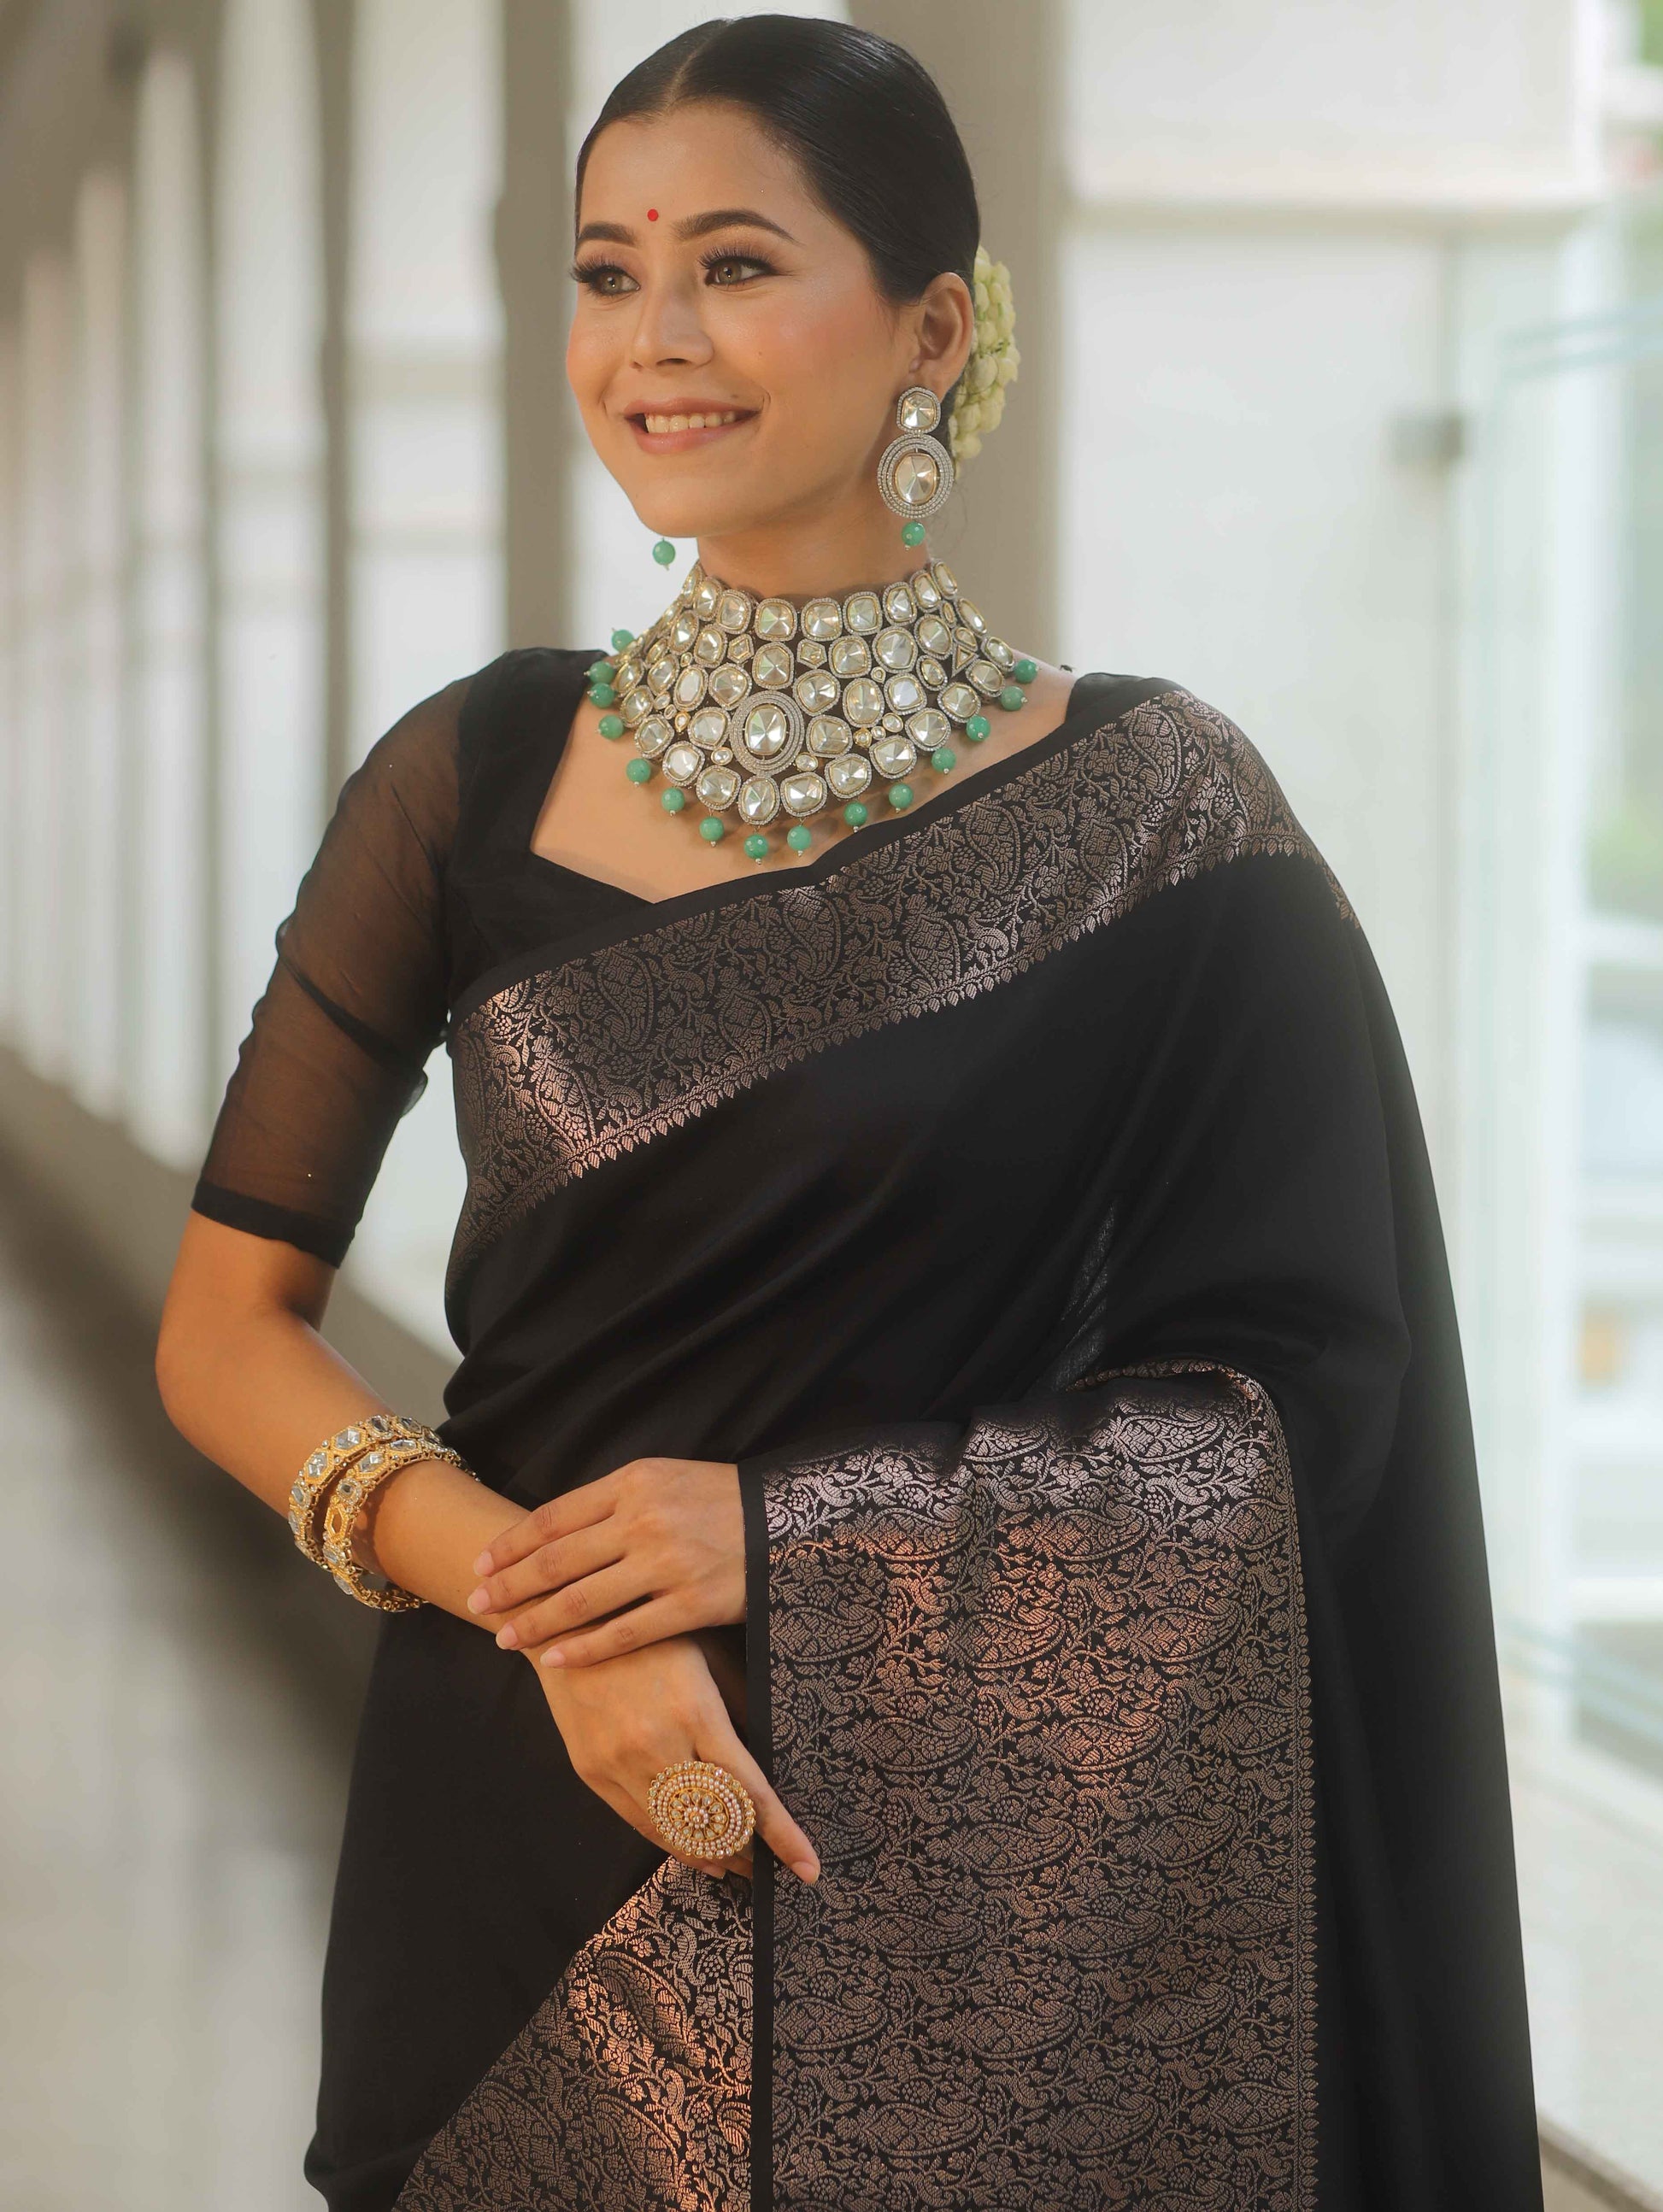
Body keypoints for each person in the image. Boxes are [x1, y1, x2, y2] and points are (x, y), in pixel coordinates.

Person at [157, 16, 1543, 2209]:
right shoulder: (470, 772)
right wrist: (555, 1610)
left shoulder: (1155, 820)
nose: (654, 341)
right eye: (605, 274)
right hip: (521, 1784)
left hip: (978, 1857)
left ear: (935, 327)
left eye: (730, 263)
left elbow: (1317, 1403)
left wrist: (784, 1541)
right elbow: (224, 1325)